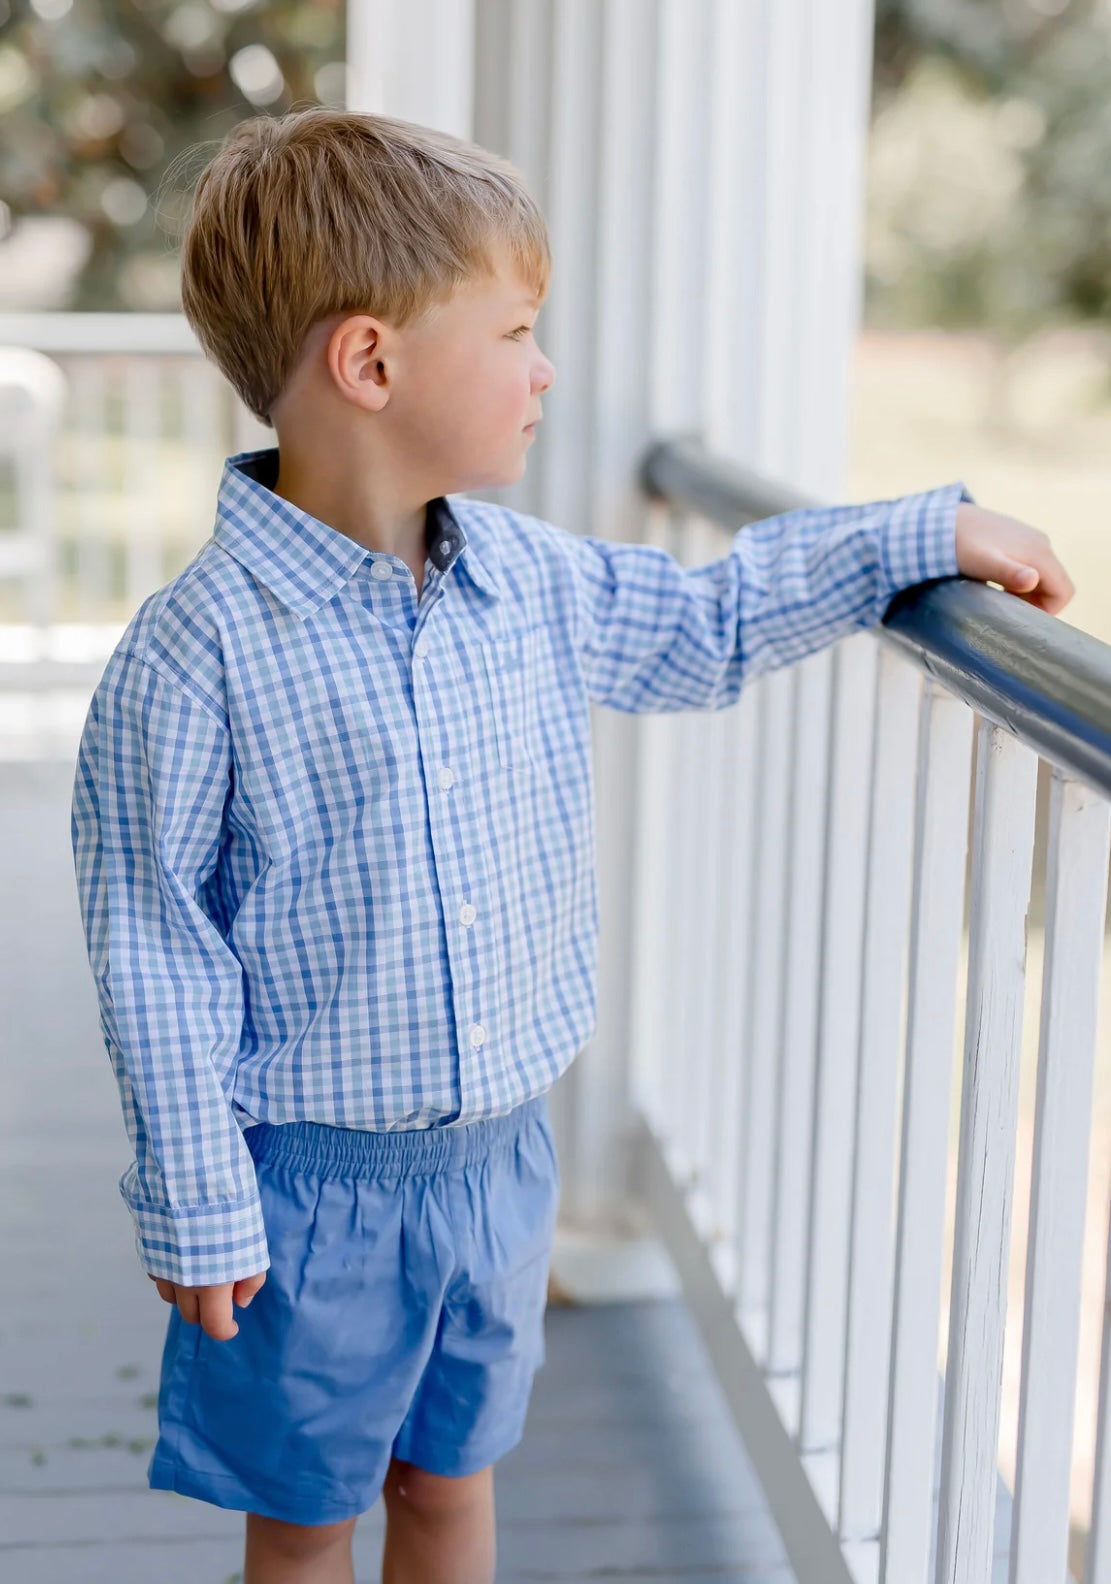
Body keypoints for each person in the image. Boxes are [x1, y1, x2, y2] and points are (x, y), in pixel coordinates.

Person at [69, 106, 1074, 1584]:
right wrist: (198, 1191)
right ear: (371, 362)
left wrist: (918, 534)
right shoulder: (198, 654)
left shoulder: (527, 584)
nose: (545, 371)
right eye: (519, 332)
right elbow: (156, 938)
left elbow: (713, 622)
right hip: (308, 1191)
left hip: (498, 1165)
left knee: (452, 1491)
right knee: (303, 1527)